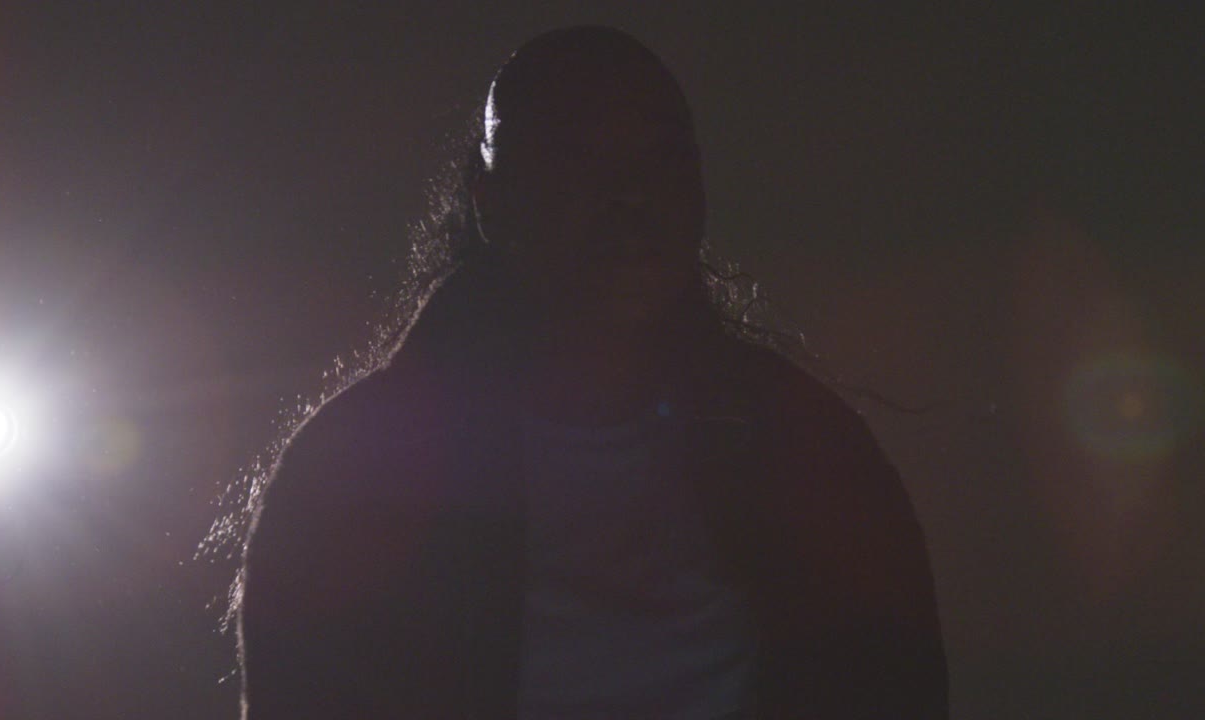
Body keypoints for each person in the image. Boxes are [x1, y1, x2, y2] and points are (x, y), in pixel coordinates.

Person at [238, 26, 948, 720]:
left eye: (661, 159)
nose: (629, 195)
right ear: (493, 202)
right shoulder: (354, 476)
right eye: (577, 160)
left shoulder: (808, 453)